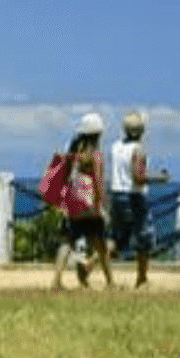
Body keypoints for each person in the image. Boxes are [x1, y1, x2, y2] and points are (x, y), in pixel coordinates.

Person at [109, 110, 172, 286]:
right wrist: (159, 178)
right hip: (134, 197)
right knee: (144, 237)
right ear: (142, 130)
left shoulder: (115, 147)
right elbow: (138, 177)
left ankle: (90, 264)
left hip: (116, 195)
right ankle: (142, 278)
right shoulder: (138, 150)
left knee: (117, 238)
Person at [53, 112, 115, 289]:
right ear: (98, 135)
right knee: (100, 243)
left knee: (67, 240)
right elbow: (98, 182)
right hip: (89, 203)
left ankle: (56, 280)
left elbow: (65, 175)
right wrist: (103, 206)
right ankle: (110, 282)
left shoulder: (75, 152)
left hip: (73, 201)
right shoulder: (95, 155)